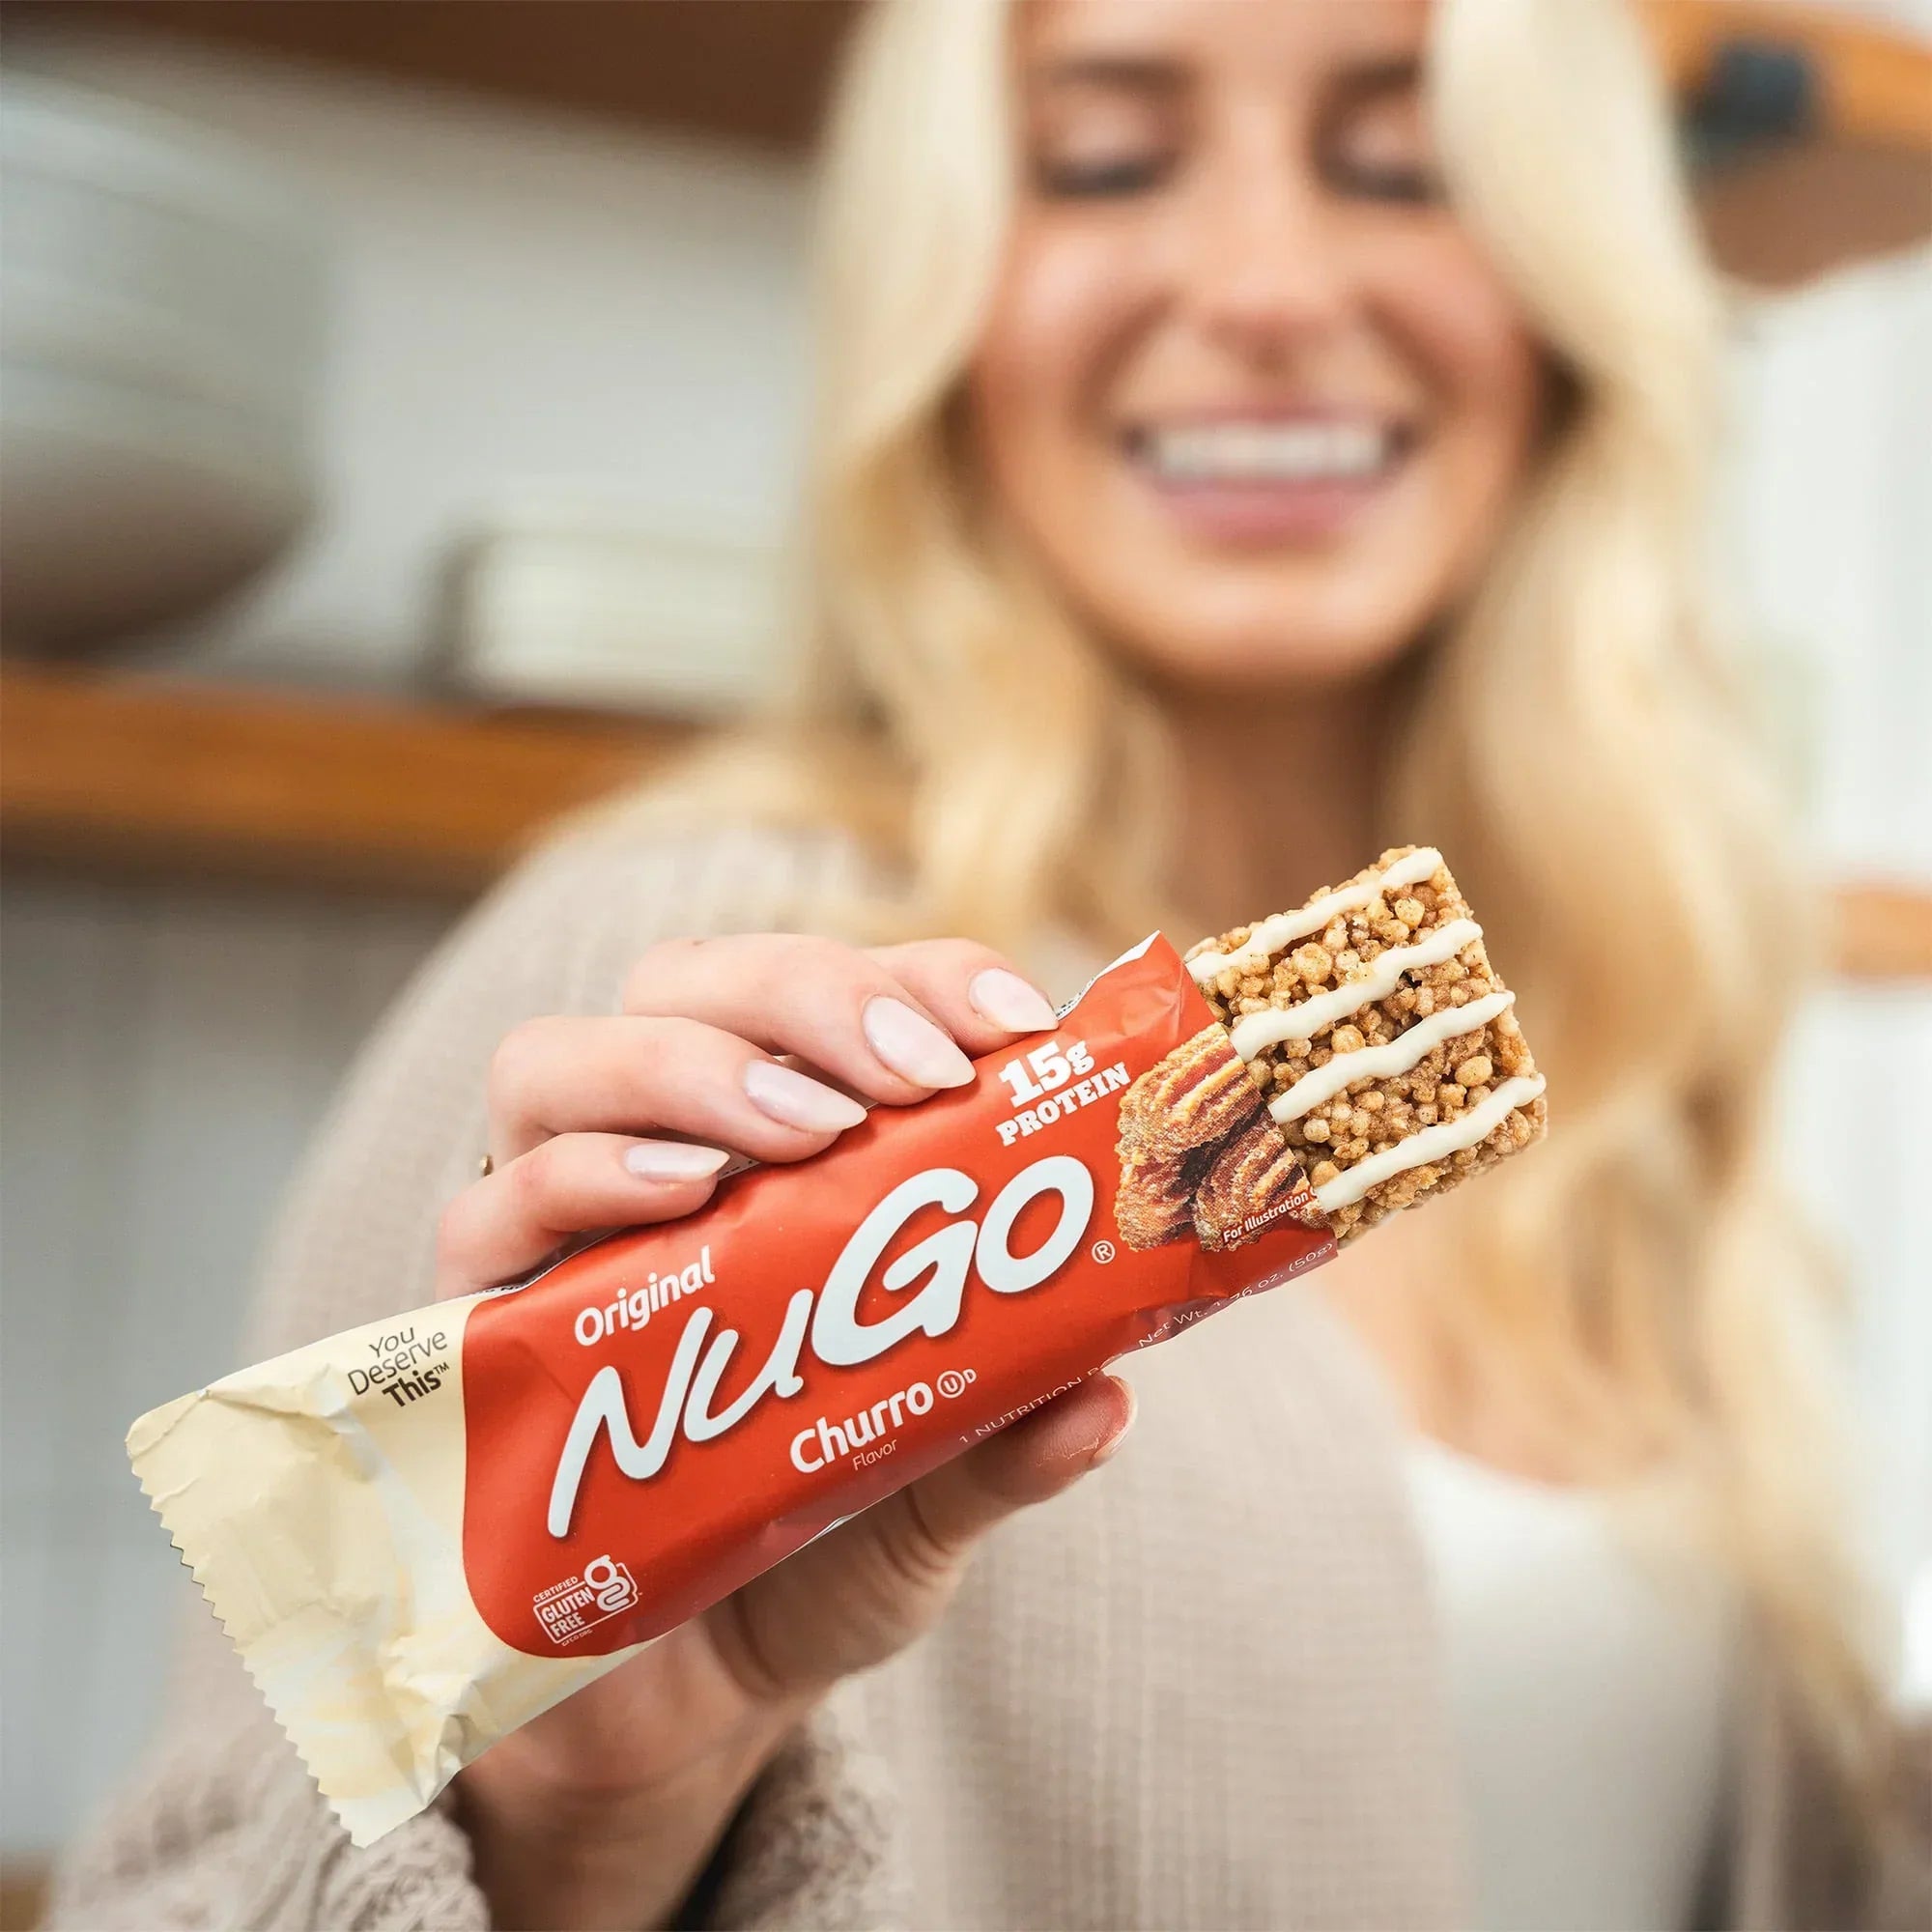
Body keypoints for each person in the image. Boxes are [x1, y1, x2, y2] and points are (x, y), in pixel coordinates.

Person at [52, 1, 1927, 1927]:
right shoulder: (693, 970)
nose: (1266, 285)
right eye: (1108, 157)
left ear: (1569, 291)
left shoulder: (1607, 1044)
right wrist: (577, 1826)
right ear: (942, 294)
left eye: (1405, 165)